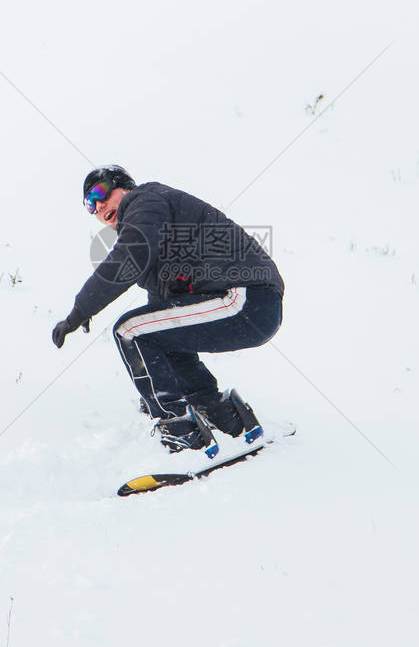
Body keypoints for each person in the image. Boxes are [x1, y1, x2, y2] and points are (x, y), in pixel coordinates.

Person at [52, 165, 284, 459]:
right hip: (250, 304)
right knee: (154, 336)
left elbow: (130, 256)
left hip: (244, 295)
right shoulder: (155, 234)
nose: (98, 206)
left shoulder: (145, 200)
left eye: (100, 193)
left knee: (130, 331)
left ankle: (178, 432)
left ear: (124, 186)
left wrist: (79, 310)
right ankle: (222, 418)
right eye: (89, 205)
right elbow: (159, 317)